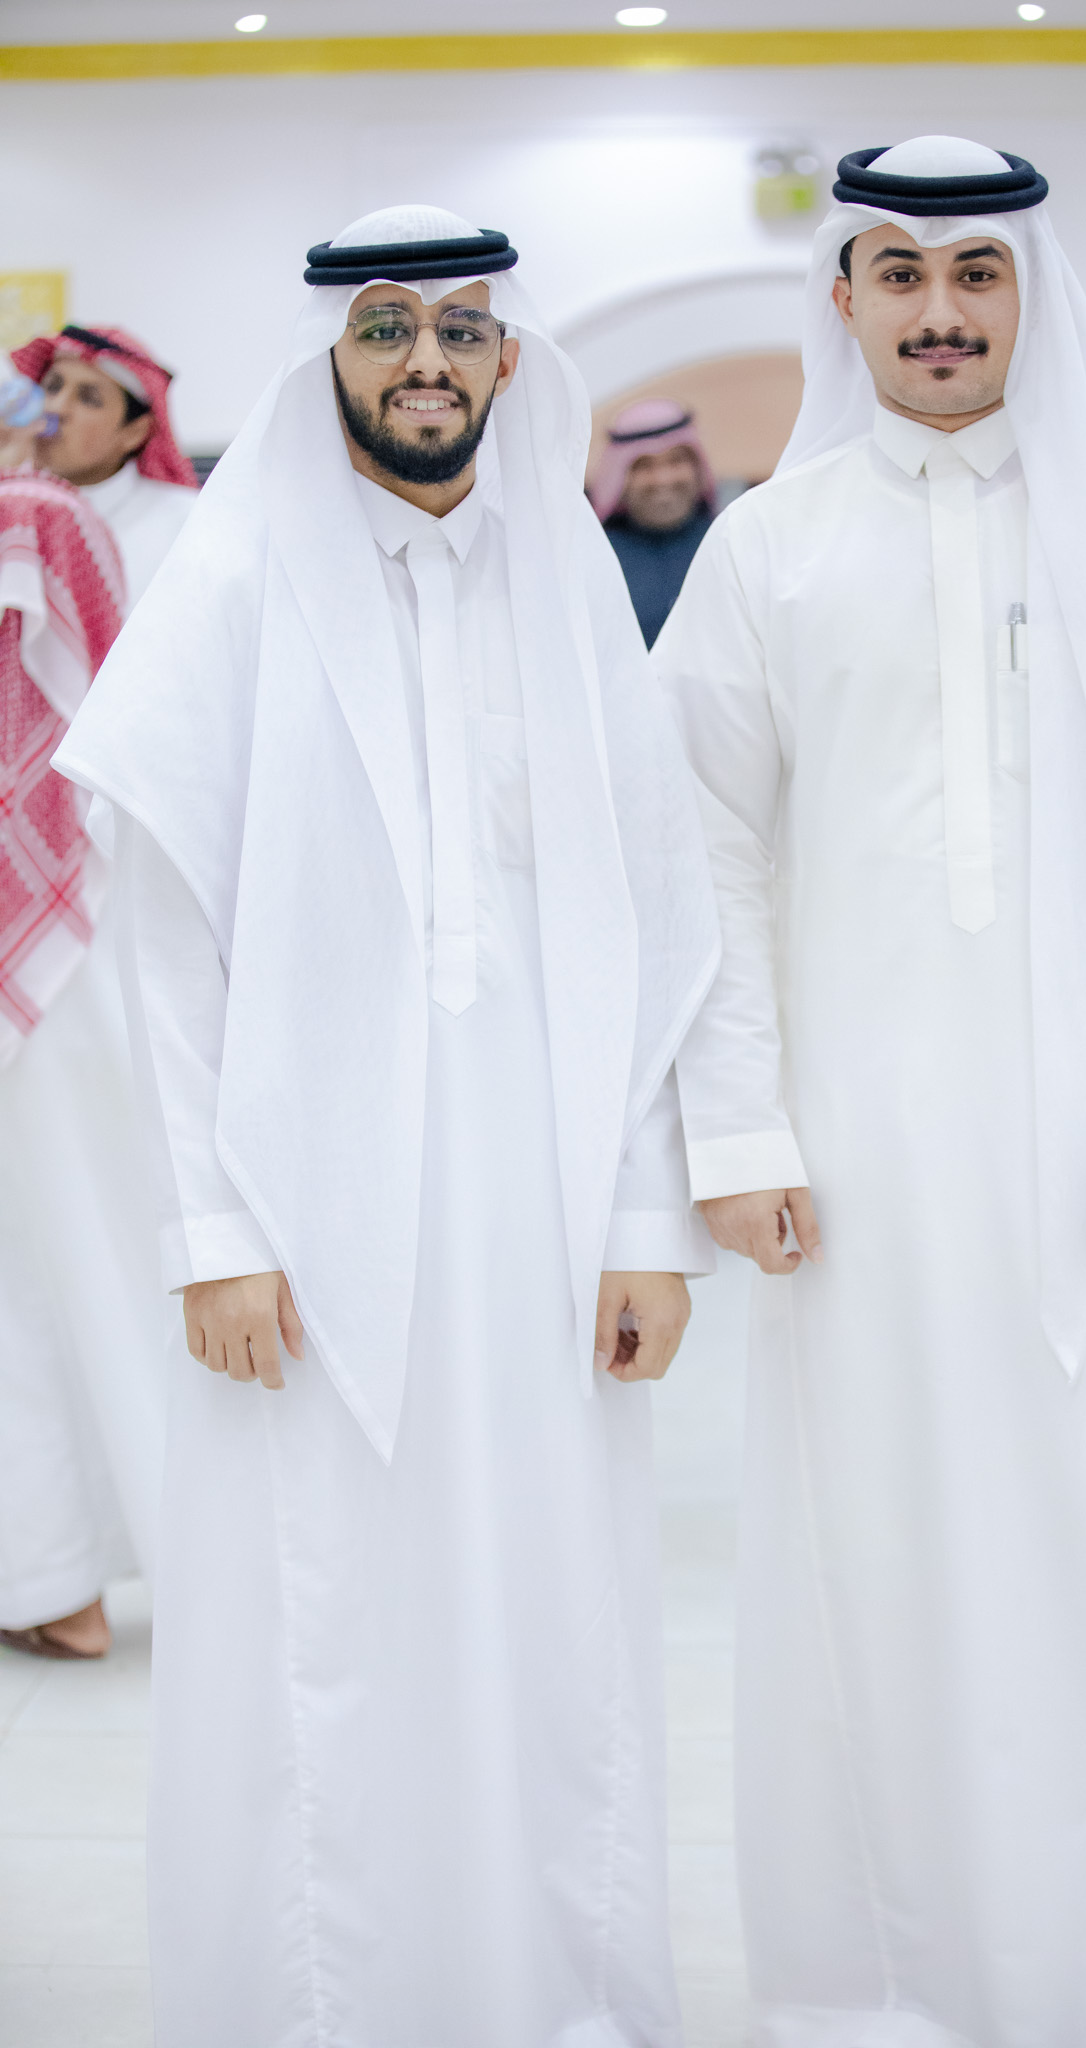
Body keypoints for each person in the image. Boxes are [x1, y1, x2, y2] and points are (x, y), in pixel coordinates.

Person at [655, 135, 1086, 2047]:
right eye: (902, 275)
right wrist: (739, 1126)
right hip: (861, 1180)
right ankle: (881, 1996)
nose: (940, 313)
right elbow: (700, 852)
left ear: (1033, 290)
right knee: (879, 1589)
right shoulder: (771, 548)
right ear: (845, 297)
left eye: (977, 275)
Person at [54, 204, 719, 2047]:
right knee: (318, 1630)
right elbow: (163, 945)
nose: (429, 360)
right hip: (297, 1219)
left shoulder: (568, 586)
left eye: (463, 328)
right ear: (332, 357)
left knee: (552, 1618)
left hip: (542, 1222)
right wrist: (213, 1227)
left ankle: (553, 2002)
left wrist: (646, 1219)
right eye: (389, 327)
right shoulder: (237, 588)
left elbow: (656, 927)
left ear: (508, 357)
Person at [0, 463, 166, 1661]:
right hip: (66, 946)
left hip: (66, 958)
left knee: (84, 1263)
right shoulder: (55, 515)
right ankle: (45, 1570)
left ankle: (69, 1574)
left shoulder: (41, 518)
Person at [13, 324, 198, 604]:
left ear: (135, 432)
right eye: (52, 387)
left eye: (88, 399)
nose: (56, 408)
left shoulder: (185, 525)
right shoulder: (11, 502)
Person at [591, 397, 716, 647]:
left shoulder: (726, 541)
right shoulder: (594, 557)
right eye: (644, 466)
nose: (663, 479)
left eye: (676, 461)